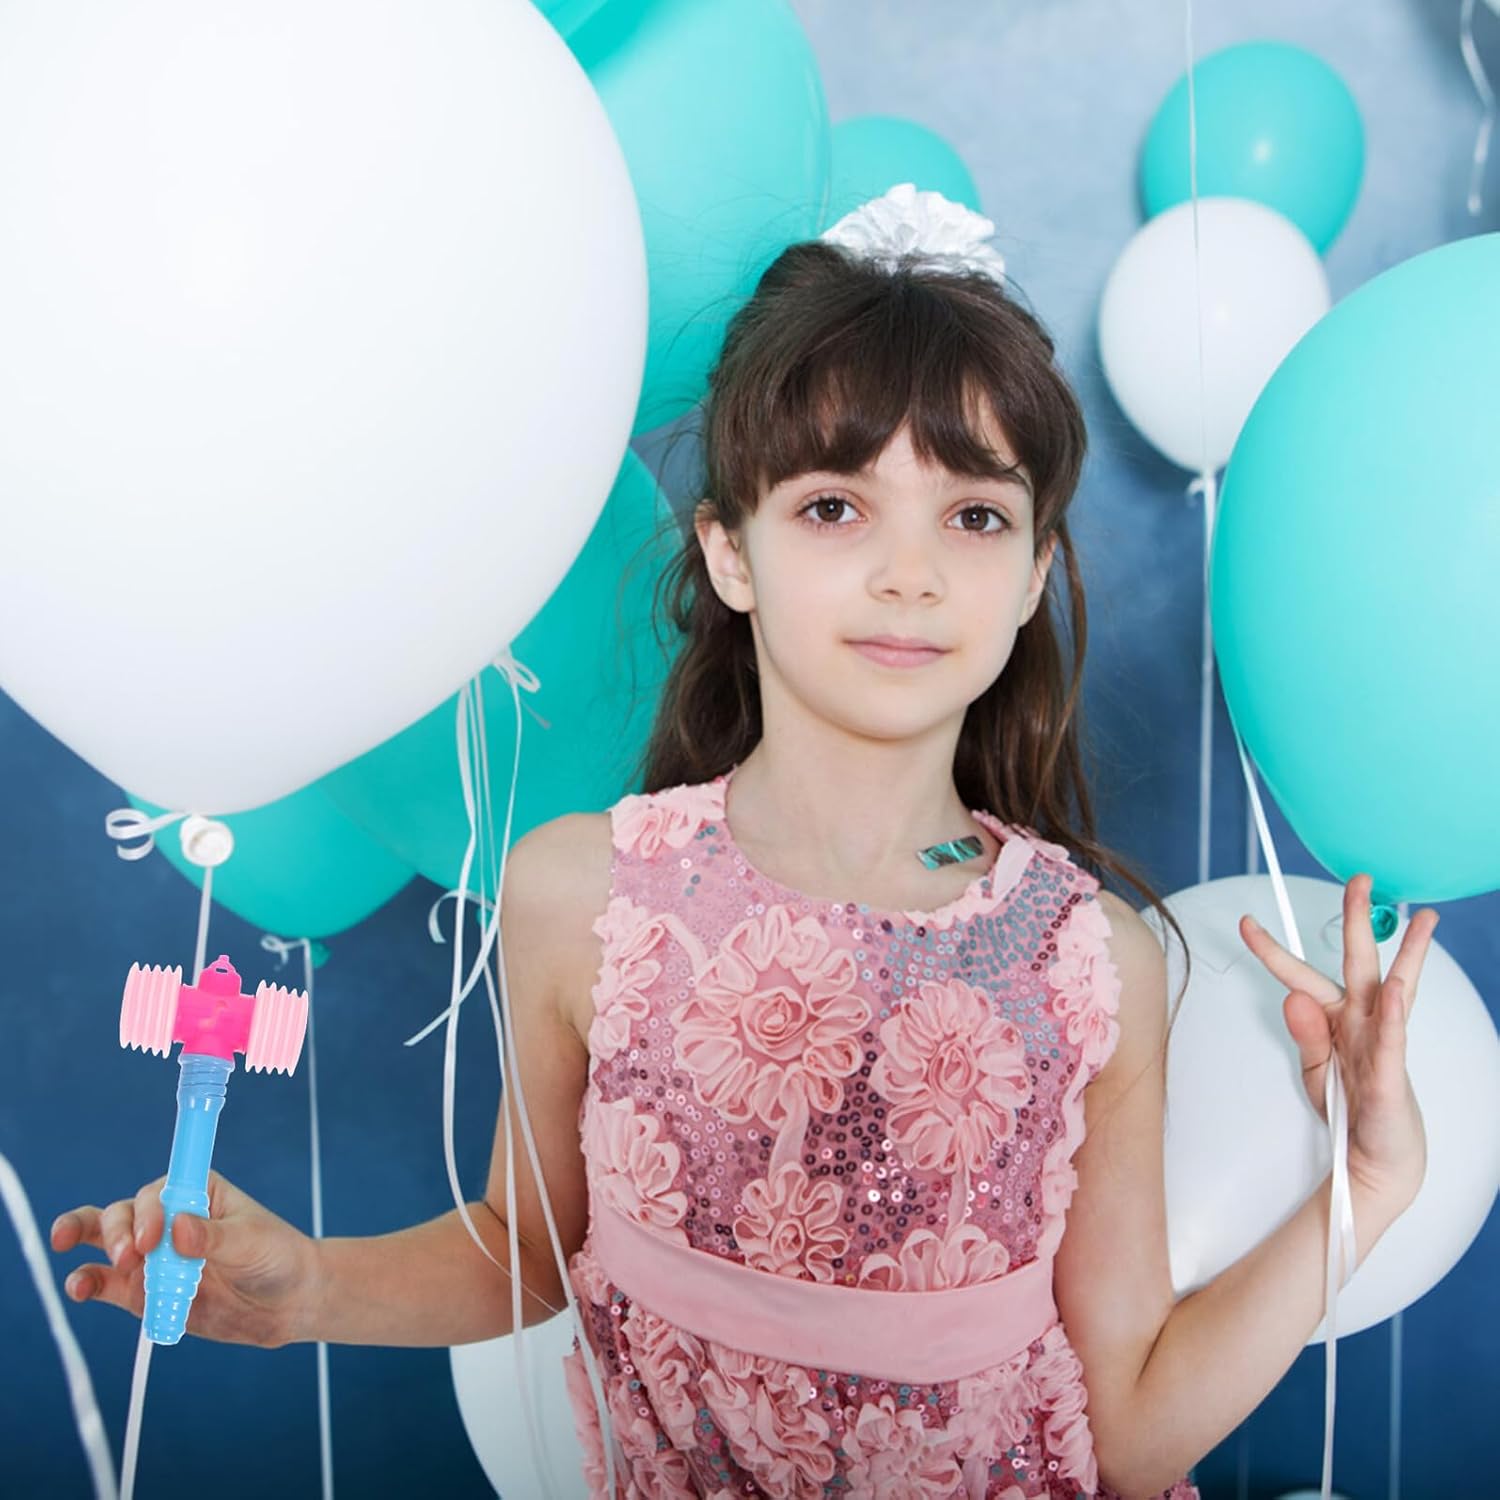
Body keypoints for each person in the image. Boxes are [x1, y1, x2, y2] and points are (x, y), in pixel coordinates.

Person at [50, 185, 1438, 1500]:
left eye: (973, 516)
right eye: (835, 507)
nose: (909, 572)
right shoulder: (582, 895)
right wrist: (307, 1288)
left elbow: (1128, 1432)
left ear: (1030, 576)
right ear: (729, 551)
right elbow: (528, 1246)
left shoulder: (1092, 960)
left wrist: (1370, 1187)